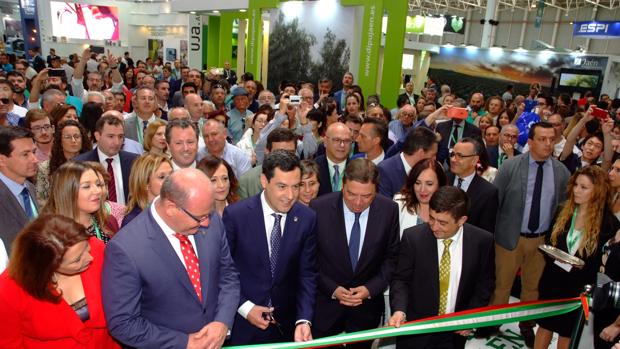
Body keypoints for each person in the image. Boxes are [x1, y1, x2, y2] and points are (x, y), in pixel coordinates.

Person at [102, 169, 240, 348]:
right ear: (171, 208)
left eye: (209, 214)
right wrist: (185, 343)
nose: (206, 223)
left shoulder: (209, 219)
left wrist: (222, 322)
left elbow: (227, 274)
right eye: (200, 218)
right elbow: (123, 323)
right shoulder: (125, 249)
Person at [488, 122, 571, 346]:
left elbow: (563, 209)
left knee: (533, 287)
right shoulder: (511, 166)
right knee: (502, 285)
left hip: (542, 241)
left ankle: (526, 324)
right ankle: (492, 322)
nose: (547, 144)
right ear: (530, 142)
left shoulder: (561, 172)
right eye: (542, 139)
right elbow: (495, 201)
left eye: (551, 139)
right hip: (509, 238)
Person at [222, 150, 316, 344]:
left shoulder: (307, 218)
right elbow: (222, 271)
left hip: (287, 328)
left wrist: (303, 319)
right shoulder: (236, 216)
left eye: (295, 186)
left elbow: (307, 274)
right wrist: (246, 308)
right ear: (264, 181)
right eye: (282, 186)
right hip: (243, 325)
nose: (290, 196)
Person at [389, 186, 495, 349]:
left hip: (455, 333)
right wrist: (399, 310)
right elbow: (401, 280)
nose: (434, 226)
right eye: (432, 218)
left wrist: (471, 317)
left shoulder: (482, 241)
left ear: (462, 220)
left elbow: (484, 284)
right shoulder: (413, 238)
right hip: (415, 330)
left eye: (443, 222)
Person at [310, 159, 399, 348]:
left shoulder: (389, 210)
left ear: (376, 190)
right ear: (343, 185)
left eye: (367, 196)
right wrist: (332, 289)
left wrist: (370, 289)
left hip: (365, 312)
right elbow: (310, 260)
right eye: (351, 194)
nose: (358, 202)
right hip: (325, 309)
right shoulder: (319, 208)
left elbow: (391, 258)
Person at [0, 214, 120, 348]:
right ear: (48, 267)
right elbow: (8, 343)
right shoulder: (9, 288)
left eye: (87, 248)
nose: (89, 258)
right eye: (76, 260)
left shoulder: (95, 249)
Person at [535, 166, 619, 349]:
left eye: (583, 187)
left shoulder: (609, 224)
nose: (576, 190)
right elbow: (549, 240)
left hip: (578, 289)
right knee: (544, 326)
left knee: (567, 334)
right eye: (576, 185)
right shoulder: (563, 210)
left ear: (597, 192)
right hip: (552, 280)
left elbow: (603, 262)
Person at [42, 161, 117, 244]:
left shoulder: (109, 222)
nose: (97, 191)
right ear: (67, 192)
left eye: (98, 184)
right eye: (86, 186)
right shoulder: (52, 236)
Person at [74, 115, 139, 205]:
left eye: (120, 137)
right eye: (111, 136)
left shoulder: (135, 161)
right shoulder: (80, 164)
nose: (117, 142)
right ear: (97, 136)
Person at [0, 126, 39, 253]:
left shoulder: (31, 189)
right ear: (2, 160)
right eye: (25, 154)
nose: (35, 159)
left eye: (34, 152)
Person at [36, 120, 91, 207]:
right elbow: (40, 200)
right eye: (68, 137)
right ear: (60, 141)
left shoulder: (91, 165)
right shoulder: (45, 168)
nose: (73, 140)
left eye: (77, 136)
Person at [448, 138, 499, 234]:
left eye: (460, 156)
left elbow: (486, 232)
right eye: (452, 154)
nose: (453, 159)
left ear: (474, 160)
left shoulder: (488, 192)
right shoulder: (441, 180)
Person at [236, 128, 298, 200]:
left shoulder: (305, 178)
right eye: (279, 153)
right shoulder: (247, 181)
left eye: (290, 153)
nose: (285, 157)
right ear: (267, 151)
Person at [378, 127, 438, 198]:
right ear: (421, 153)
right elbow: (385, 206)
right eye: (433, 155)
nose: (435, 158)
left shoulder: (432, 170)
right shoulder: (385, 170)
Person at [394, 158, 447, 238]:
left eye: (429, 184)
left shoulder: (450, 207)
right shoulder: (399, 203)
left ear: (440, 184)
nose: (422, 189)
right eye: (418, 183)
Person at [122, 153, 173, 227]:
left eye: (171, 174)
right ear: (145, 183)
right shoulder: (134, 221)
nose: (170, 180)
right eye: (162, 177)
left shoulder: (176, 210)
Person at [315, 122, 353, 196]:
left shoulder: (357, 169)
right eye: (337, 140)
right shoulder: (314, 167)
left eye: (347, 141)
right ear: (325, 142)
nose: (342, 145)